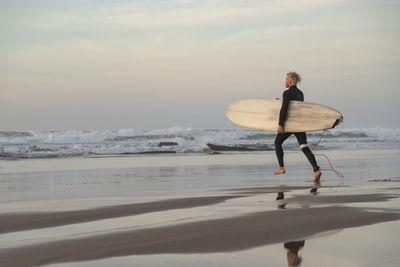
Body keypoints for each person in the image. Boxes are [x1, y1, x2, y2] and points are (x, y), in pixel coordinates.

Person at [274, 72, 321, 183]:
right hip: (299, 124)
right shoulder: (300, 93)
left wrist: (280, 123)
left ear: (290, 81)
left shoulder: (286, 93)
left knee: (277, 143)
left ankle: (281, 168)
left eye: (286, 79)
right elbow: (297, 108)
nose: (285, 81)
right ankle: (316, 170)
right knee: (304, 146)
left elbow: (285, 108)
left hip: (290, 124)